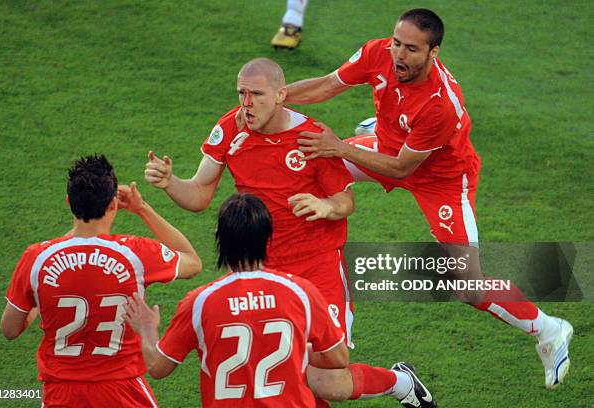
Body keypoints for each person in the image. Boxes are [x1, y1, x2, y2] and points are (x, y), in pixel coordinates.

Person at [284, 8, 573, 389]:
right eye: (396, 44)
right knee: (307, 171)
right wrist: (277, 96)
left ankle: (550, 330)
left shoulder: (441, 103)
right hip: (391, 148)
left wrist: (338, 147)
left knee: (467, 285)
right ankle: (332, 299)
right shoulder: (378, 53)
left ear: (433, 53)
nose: (399, 55)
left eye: (411, 50)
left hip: (441, 179)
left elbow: (401, 169)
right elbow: (328, 85)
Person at [144, 58, 437, 407]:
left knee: (326, 381)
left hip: (316, 269)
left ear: (282, 95)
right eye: (241, 93)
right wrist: (169, 183)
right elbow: (199, 193)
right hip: (259, 272)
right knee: (285, 372)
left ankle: (400, 383)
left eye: (256, 94)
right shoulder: (231, 129)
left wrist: (326, 206)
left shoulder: (311, 137)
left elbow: (345, 201)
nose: (246, 103)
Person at [125, 193, 437, 407]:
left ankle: (400, 382)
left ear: (220, 240)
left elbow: (158, 367)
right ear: (268, 239)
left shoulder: (200, 302)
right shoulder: (300, 292)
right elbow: (338, 358)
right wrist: (294, 351)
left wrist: (147, 328)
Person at [0, 154, 202, 407]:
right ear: (113, 205)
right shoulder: (136, 253)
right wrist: (142, 209)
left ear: (69, 203)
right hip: (123, 393)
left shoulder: (36, 258)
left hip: (60, 396)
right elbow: (193, 262)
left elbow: (9, 330)